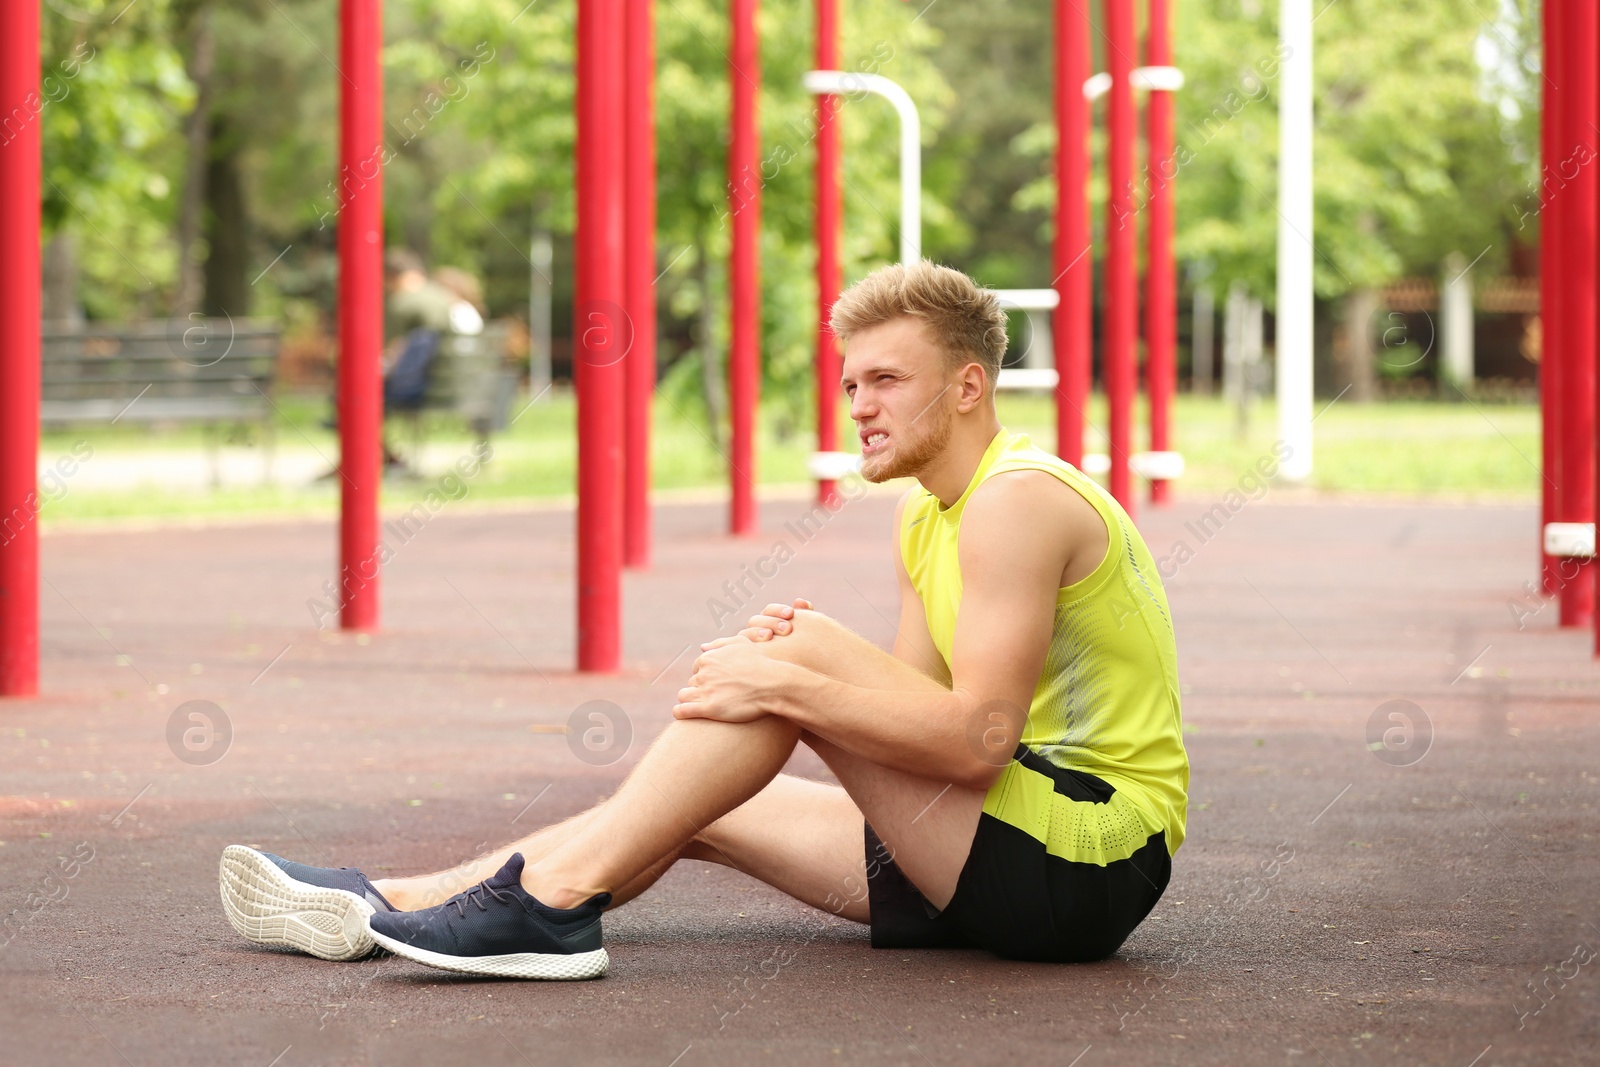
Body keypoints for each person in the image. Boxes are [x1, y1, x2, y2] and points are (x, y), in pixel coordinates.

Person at [219, 260, 1188, 979]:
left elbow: (976, 740)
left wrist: (791, 683)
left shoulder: (1017, 499)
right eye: (850, 382)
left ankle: (548, 911)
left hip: (1084, 861)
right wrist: (793, 679)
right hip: (1000, 841)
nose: (857, 404)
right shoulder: (923, 513)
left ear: (968, 385)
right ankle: (392, 899)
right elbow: (918, 719)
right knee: (700, 792)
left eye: (885, 379)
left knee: (788, 656)